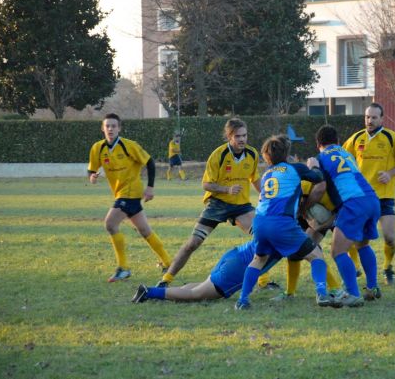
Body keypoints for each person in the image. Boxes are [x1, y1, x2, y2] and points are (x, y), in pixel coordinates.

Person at [156, 118, 276, 289]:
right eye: (238, 136)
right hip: (217, 204)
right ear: (229, 137)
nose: (242, 139)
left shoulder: (252, 154)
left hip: (240, 206)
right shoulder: (218, 155)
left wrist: (267, 197)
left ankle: (263, 281)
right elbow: (206, 184)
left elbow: (255, 180)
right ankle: (166, 279)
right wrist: (226, 189)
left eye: (245, 135)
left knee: (262, 237)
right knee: (193, 243)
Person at [234, 135, 335, 310]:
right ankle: (322, 293)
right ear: (286, 153)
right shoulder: (295, 168)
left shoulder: (267, 175)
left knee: (258, 260)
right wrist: (314, 166)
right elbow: (318, 178)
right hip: (281, 223)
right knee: (316, 255)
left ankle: (242, 300)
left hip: (259, 222)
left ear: (266, 157)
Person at [88, 113, 171, 282]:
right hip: (120, 193)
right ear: (102, 129)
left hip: (131, 192)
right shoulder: (98, 148)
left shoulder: (129, 146)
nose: (110, 129)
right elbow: (92, 169)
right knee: (145, 230)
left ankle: (123, 268)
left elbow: (150, 162)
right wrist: (92, 176)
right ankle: (168, 262)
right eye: (107, 126)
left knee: (110, 224)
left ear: (119, 128)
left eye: (114, 126)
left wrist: (150, 187)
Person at [308, 125, 382, 307]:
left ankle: (352, 293)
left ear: (318, 144)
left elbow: (320, 188)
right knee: (362, 244)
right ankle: (372, 287)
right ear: (338, 141)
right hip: (372, 199)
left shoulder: (321, 157)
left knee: (337, 251)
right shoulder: (347, 154)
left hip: (354, 204)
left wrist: (306, 206)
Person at [342, 103, 395, 285]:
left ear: (382, 119)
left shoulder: (392, 138)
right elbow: (342, 159)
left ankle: (388, 267)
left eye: (374, 117)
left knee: (389, 237)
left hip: (384, 196)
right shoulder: (356, 138)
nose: (370, 121)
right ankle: (356, 268)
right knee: (353, 237)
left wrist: (390, 174)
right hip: (359, 197)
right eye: (367, 117)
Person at [132, 239, 283, 303]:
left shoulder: (273, 216)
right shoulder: (292, 232)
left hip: (235, 254)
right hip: (238, 268)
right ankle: (149, 292)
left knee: (202, 287)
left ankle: (170, 290)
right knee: (196, 295)